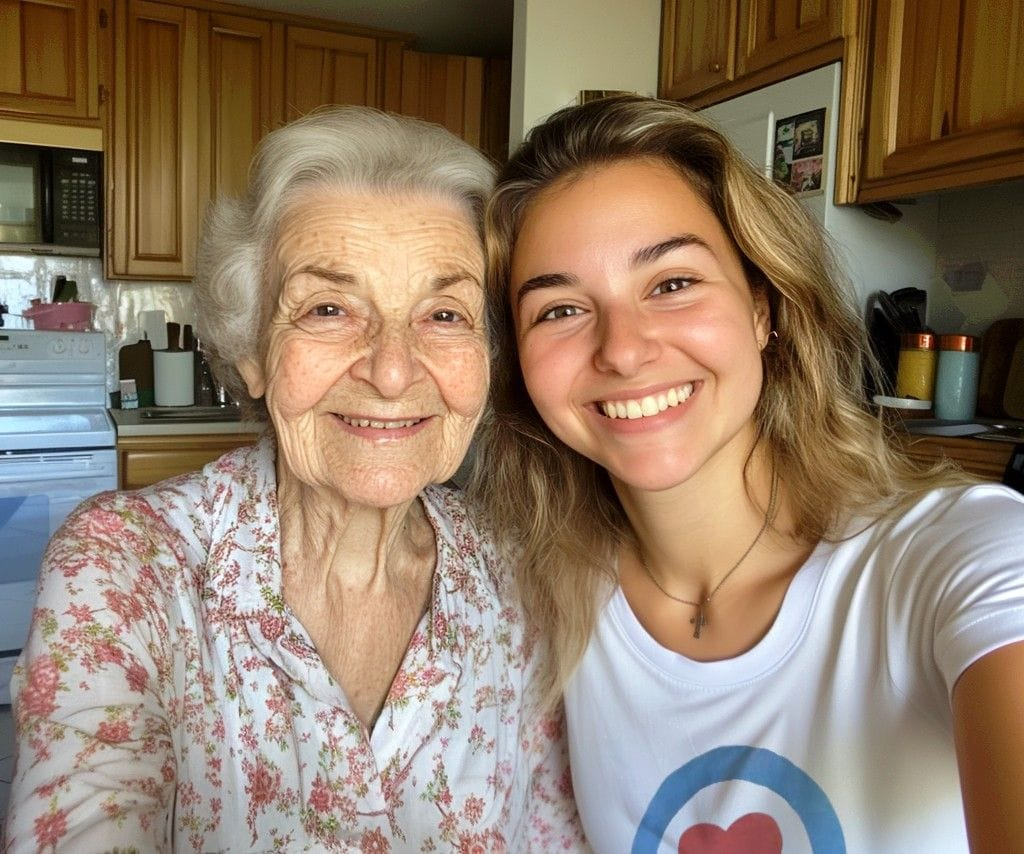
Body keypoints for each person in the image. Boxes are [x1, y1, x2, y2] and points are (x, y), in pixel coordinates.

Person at [5, 107, 583, 852]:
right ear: (251, 350)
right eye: (328, 308)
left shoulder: (517, 573)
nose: (393, 369)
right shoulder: (126, 567)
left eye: (443, 314)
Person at [473, 94, 1024, 853]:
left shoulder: (957, 558)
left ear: (762, 309)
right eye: (559, 310)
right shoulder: (543, 591)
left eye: (671, 284)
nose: (624, 351)